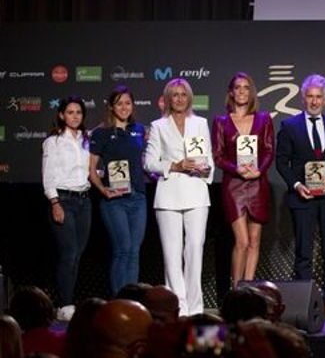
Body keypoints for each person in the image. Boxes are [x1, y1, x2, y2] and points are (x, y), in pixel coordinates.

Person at [276, 74, 325, 318]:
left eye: (319, 97)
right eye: (310, 96)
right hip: (303, 198)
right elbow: (281, 162)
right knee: (304, 252)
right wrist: (297, 185)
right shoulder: (289, 126)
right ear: (303, 98)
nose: (315, 101)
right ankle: (305, 302)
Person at [144, 78, 213, 316]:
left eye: (184, 94)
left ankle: (195, 309)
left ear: (189, 97)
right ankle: (179, 307)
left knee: (195, 248)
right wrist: (177, 165)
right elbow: (149, 162)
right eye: (175, 95)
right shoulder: (158, 126)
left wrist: (206, 169)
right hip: (168, 195)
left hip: (196, 192)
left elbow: (209, 159)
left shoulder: (201, 123)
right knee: (172, 254)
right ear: (168, 99)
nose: (180, 99)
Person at [212, 72, 275, 288]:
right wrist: (236, 168)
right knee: (242, 241)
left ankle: (249, 291)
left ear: (251, 92)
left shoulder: (264, 118)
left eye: (246, 87)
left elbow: (268, 150)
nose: (241, 91)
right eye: (237, 87)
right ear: (231, 92)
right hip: (234, 185)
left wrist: (259, 170)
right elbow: (218, 156)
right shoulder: (221, 121)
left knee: (254, 241)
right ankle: (236, 290)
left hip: (258, 183)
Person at [89, 85, 147, 296]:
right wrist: (103, 190)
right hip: (114, 201)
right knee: (122, 250)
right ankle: (118, 301)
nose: (124, 107)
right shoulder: (100, 133)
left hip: (138, 198)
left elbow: (144, 161)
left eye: (128, 103)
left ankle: (131, 301)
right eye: (119, 103)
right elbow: (92, 170)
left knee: (134, 252)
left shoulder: (139, 130)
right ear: (112, 107)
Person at [41, 96, 92, 318]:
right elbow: (48, 175)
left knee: (77, 255)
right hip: (63, 200)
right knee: (68, 253)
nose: (74, 116)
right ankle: (65, 304)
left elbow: (90, 169)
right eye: (70, 112)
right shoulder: (53, 142)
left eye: (78, 112)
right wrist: (55, 202)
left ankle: (66, 304)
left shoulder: (86, 140)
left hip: (84, 201)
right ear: (62, 115)